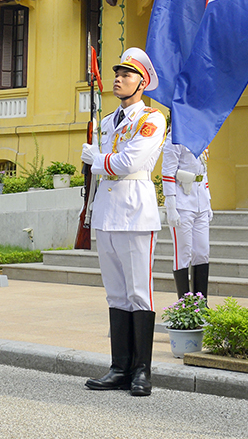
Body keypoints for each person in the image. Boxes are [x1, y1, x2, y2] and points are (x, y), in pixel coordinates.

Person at [81, 47, 167, 397]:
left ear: (142, 82)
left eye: (127, 74)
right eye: (117, 73)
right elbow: (104, 167)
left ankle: (142, 371)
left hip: (134, 211)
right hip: (106, 212)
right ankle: (119, 367)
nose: (118, 79)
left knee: (138, 293)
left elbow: (131, 162)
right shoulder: (106, 122)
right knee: (116, 293)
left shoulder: (152, 119)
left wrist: (97, 159)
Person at [161, 129, 212, 299]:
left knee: (202, 251)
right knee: (183, 253)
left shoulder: (201, 135)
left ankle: (200, 302)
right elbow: (168, 173)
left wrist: (208, 201)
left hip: (201, 201)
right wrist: (171, 206)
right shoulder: (174, 137)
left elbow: (203, 172)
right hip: (182, 201)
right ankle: (184, 304)